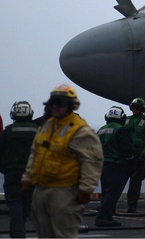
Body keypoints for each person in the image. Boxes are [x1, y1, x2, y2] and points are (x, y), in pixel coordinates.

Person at [22, 84, 102, 238]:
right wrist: (27, 180)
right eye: (53, 103)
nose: (55, 107)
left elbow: (92, 161)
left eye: (60, 103)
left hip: (64, 192)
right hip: (40, 191)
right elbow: (35, 155)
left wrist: (86, 189)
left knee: (64, 235)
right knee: (44, 235)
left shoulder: (80, 130)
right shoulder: (46, 127)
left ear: (70, 106)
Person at [0, 101, 40, 238]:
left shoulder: (8, 131)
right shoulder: (37, 131)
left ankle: (18, 235)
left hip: (12, 173)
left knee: (15, 204)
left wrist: (3, 169)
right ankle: (16, 234)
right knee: (25, 205)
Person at [94, 106, 132, 227]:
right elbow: (126, 150)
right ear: (122, 117)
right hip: (115, 165)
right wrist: (131, 163)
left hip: (102, 165)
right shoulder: (121, 130)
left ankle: (107, 216)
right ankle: (103, 217)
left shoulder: (101, 130)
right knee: (113, 192)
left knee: (106, 191)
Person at [124, 97, 145, 213]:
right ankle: (109, 204)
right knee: (120, 180)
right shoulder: (126, 120)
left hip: (138, 155)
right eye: (134, 107)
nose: (135, 109)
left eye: (137, 107)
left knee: (135, 182)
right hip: (127, 155)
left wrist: (143, 154)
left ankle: (132, 204)